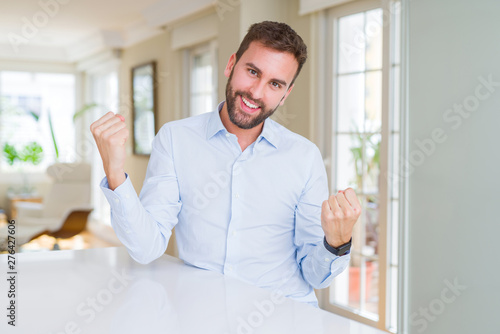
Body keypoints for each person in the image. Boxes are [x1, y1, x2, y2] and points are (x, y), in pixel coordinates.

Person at [90, 21, 361, 307]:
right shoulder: (175, 139)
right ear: (231, 64)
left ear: (286, 94)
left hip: (284, 316)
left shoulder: (305, 157)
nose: (256, 92)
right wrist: (115, 172)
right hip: (204, 315)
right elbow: (146, 248)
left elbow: (315, 276)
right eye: (252, 71)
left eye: (275, 84)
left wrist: (337, 241)